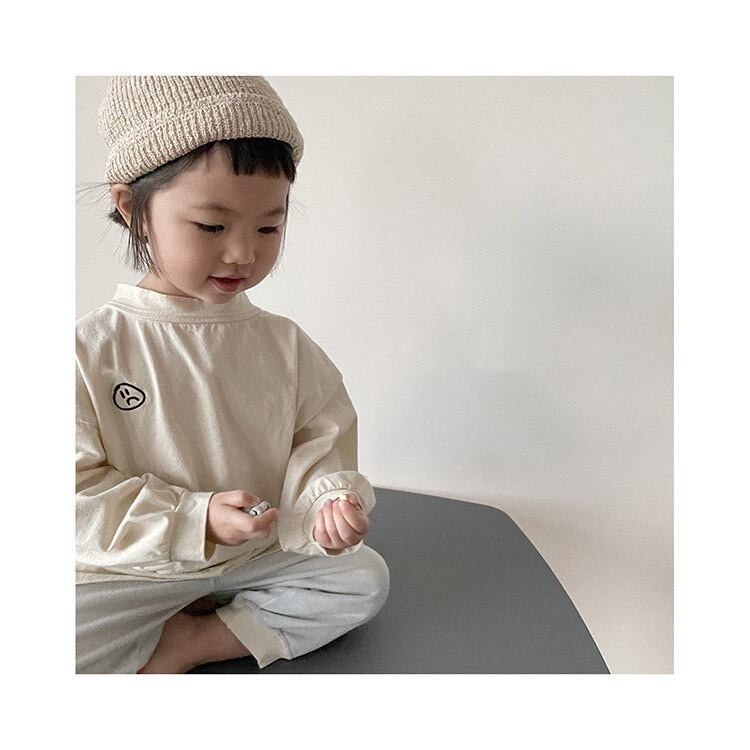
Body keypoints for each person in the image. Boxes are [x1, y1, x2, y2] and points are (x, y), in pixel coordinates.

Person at [76, 76, 390, 674]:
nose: (244, 253)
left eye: (269, 228)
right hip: (134, 571)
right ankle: (183, 620)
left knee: (361, 579)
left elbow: (319, 438)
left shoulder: (284, 345)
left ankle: (189, 642)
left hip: (255, 560)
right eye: (211, 227)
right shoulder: (88, 352)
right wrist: (194, 518)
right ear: (133, 210)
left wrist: (328, 501)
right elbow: (71, 493)